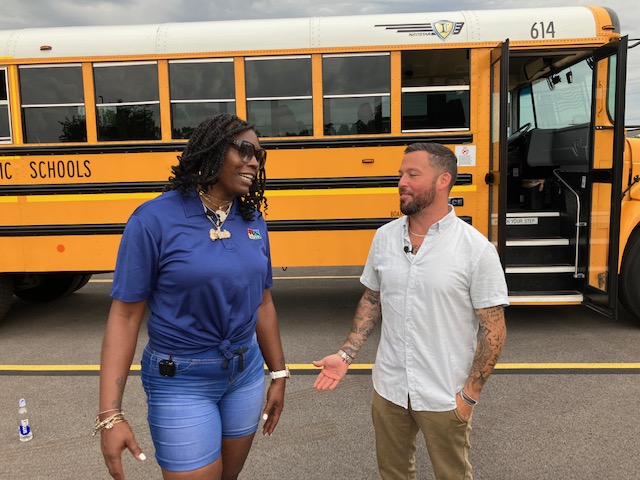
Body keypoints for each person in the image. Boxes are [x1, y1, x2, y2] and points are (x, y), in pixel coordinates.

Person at [97, 113, 288, 480]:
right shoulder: (153, 220)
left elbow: (262, 301)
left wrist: (278, 373)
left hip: (244, 374)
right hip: (180, 379)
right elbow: (125, 316)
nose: (254, 162)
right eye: (245, 150)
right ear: (211, 150)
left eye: (259, 156)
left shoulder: (252, 219)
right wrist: (110, 414)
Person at [313, 142, 508, 480]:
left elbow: (494, 330)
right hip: (389, 389)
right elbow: (373, 299)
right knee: (393, 474)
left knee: (453, 476)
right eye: (400, 174)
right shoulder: (384, 238)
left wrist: (468, 396)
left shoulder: (475, 249)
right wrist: (346, 354)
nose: (401, 182)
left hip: (444, 394)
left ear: (443, 180)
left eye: (412, 174)